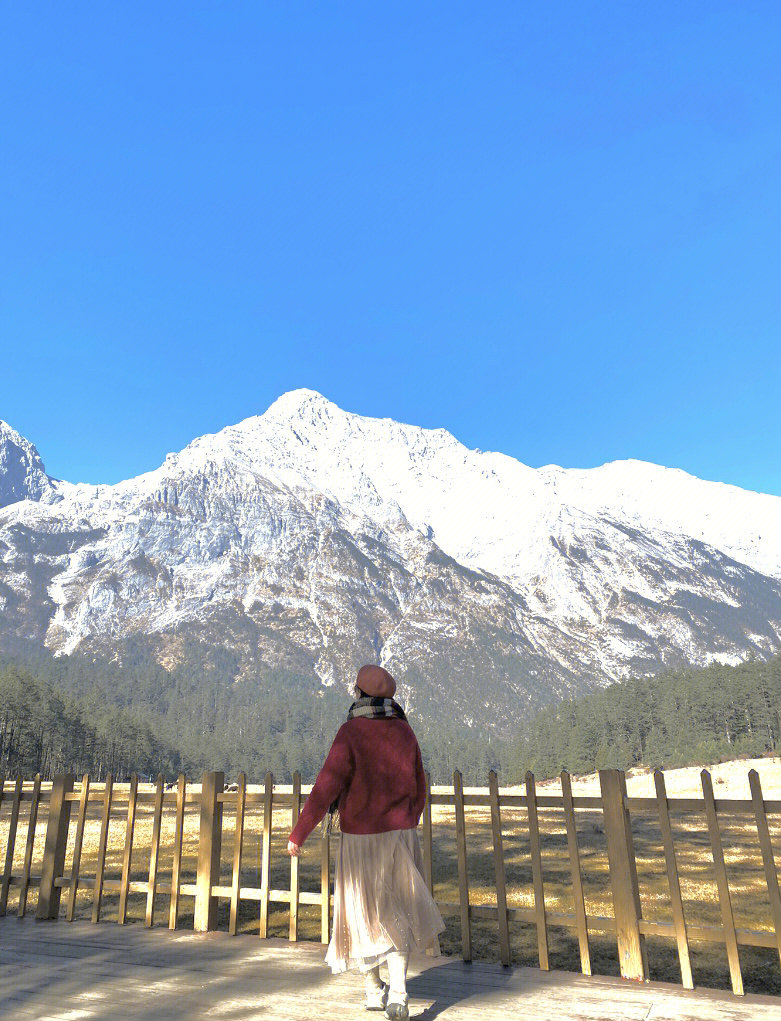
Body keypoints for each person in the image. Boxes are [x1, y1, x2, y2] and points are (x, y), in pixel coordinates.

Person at [287, 664, 445, 1020]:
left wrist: (299, 833)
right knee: (398, 912)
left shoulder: (351, 732)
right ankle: (399, 994)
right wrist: (408, 818)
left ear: (358, 693)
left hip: (361, 840)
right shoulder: (405, 730)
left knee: (361, 915)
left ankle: (374, 989)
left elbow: (326, 786)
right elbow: (420, 785)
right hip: (400, 836)